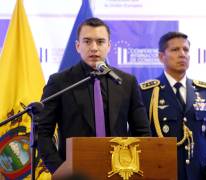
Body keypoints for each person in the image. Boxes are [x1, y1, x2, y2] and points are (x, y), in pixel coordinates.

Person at [37, 17, 151, 173]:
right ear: (78, 46)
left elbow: (142, 133)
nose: (94, 48)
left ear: (109, 46)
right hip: (75, 173)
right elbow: (42, 132)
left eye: (100, 42)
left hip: (120, 171)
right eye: (87, 41)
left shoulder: (126, 82)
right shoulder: (60, 82)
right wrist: (59, 170)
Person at [140, 32, 206, 180]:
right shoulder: (147, 93)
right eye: (175, 50)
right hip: (163, 174)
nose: (182, 54)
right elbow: (141, 141)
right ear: (161, 57)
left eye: (186, 50)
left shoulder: (204, 92)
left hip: (199, 175)